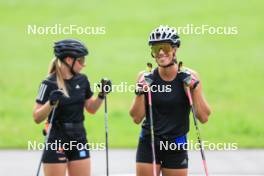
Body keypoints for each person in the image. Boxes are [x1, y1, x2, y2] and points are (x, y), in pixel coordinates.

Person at [129, 25, 211, 176]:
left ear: (175, 49)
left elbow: (204, 117)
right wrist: (140, 91)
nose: (160, 53)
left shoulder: (190, 76)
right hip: (149, 142)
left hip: (176, 144)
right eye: (156, 49)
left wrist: (195, 87)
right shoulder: (145, 77)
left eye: (165, 48)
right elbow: (136, 118)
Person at [33, 39, 111, 176]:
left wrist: (101, 94)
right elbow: (37, 117)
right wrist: (50, 103)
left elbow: (91, 108)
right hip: (56, 139)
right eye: (81, 60)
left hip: (79, 137)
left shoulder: (83, 80)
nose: (84, 64)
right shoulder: (48, 83)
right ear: (69, 60)